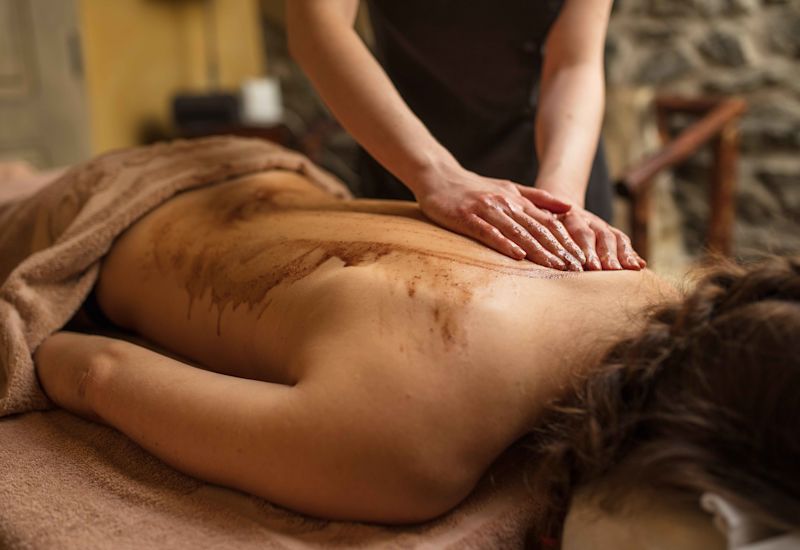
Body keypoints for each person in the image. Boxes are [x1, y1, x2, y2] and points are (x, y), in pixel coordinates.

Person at [34, 169, 799, 542]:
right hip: (97, 218)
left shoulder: (629, 268)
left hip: (255, 169)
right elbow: (94, 370)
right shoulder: (407, 450)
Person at [286, 0, 645, 273]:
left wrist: (560, 203)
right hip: (408, 159)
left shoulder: (559, 199)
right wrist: (434, 175)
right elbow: (316, 25)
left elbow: (574, 61)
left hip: (558, 161)